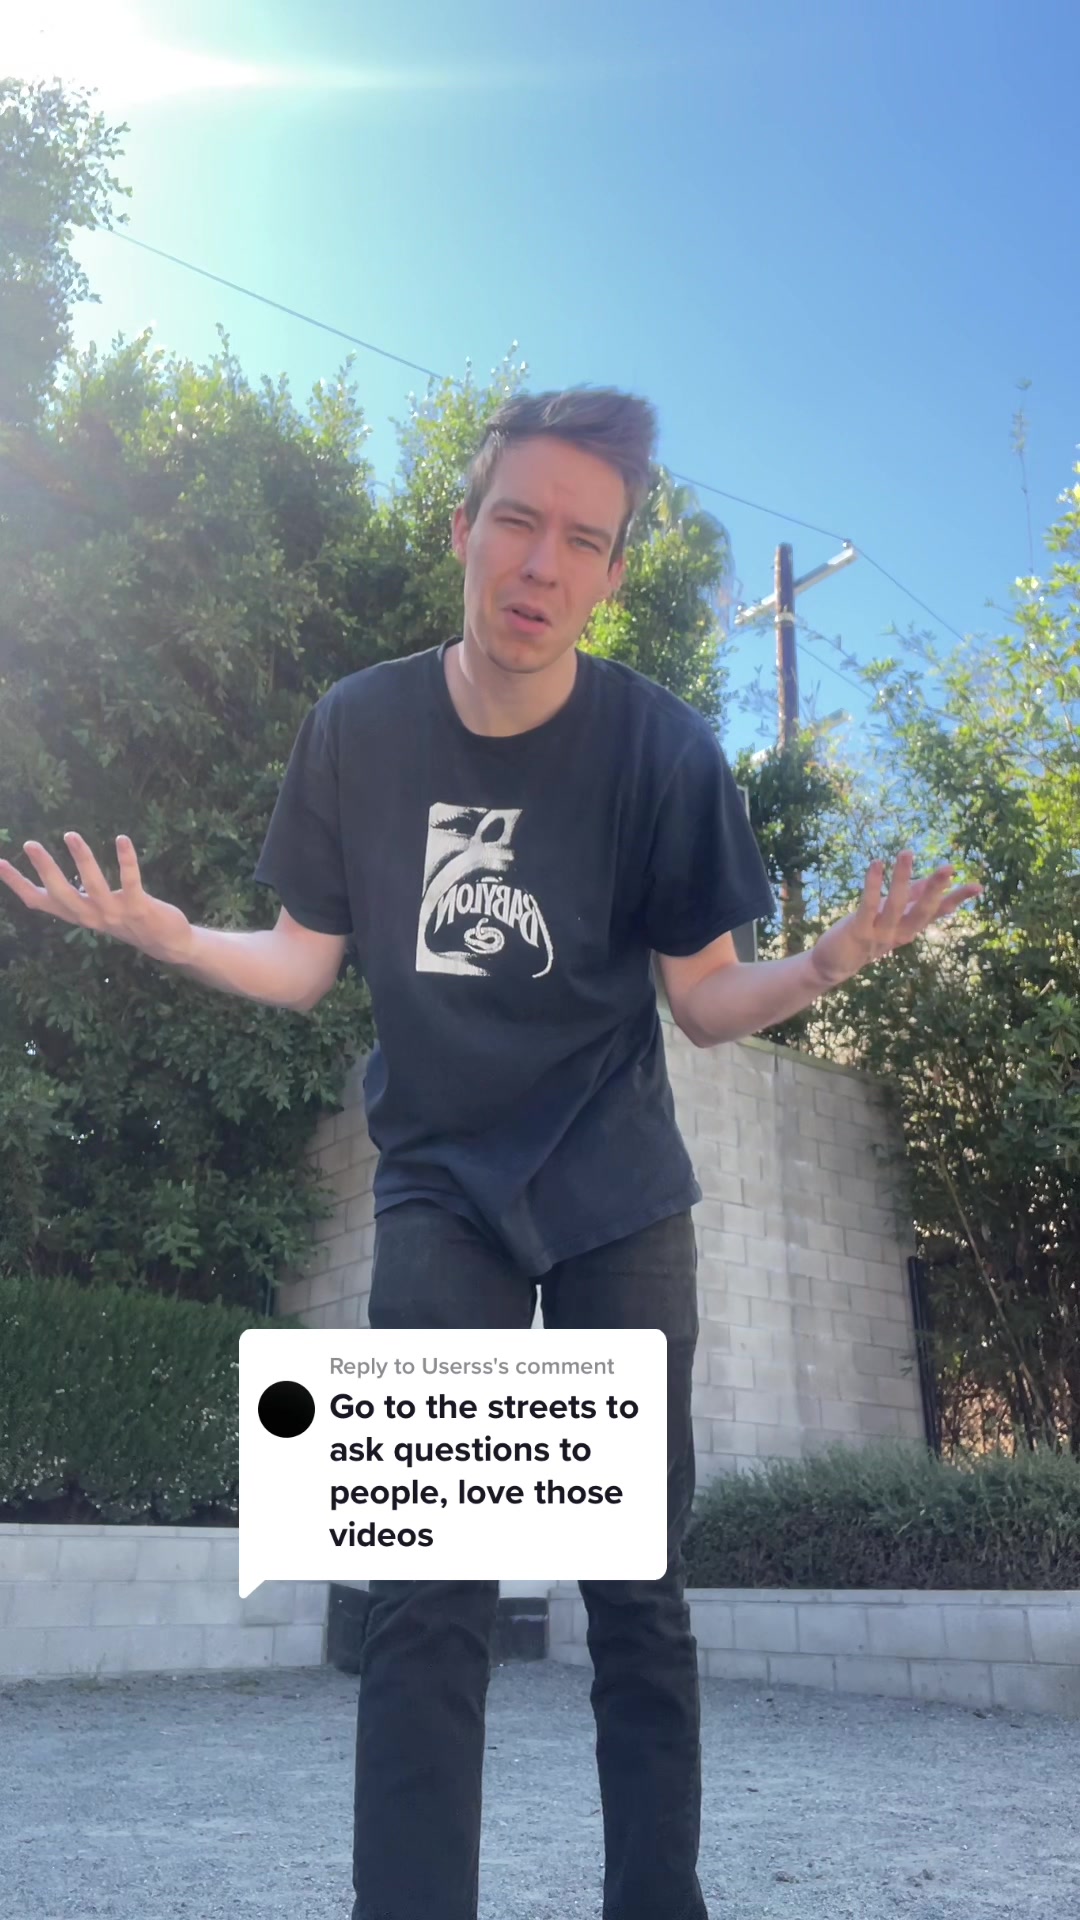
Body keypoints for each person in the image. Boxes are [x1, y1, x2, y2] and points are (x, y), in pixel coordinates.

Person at [0, 385, 982, 1920]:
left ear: (612, 572)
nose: (541, 562)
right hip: (440, 1189)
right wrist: (172, 934)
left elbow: (706, 1003)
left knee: (636, 1587)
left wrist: (828, 963)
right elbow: (303, 962)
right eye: (517, 521)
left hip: (616, 1190)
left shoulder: (664, 751)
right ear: (464, 530)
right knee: (425, 1587)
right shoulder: (359, 729)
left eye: (582, 540)